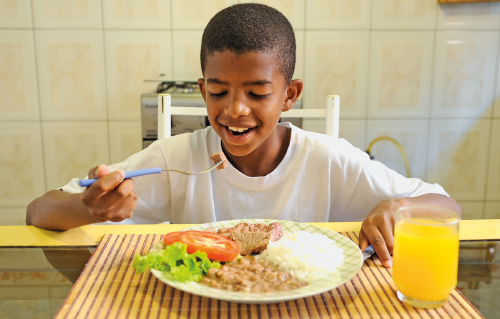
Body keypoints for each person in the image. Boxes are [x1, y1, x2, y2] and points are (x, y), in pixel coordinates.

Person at [26, 3, 461, 268]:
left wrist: (398, 205)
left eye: (257, 93)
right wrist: (91, 208)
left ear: (289, 95)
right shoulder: (180, 158)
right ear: (202, 90)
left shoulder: (328, 161)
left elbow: (446, 206)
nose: (235, 110)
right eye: (218, 91)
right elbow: (38, 211)